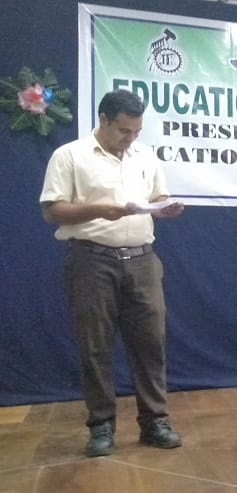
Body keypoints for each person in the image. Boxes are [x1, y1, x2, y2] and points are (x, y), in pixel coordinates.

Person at [39, 89, 185, 458]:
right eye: (123, 130)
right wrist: (98, 210)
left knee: (151, 344)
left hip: (142, 260)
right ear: (103, 119)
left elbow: (157, 198)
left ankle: (155, 421)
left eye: (136, 131)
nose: (130, 138)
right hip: (91, 260)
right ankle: (101, 426)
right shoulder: (70, 155)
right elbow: (52, 210)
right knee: (95, 345)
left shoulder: (145, 156)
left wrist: (165, 208)